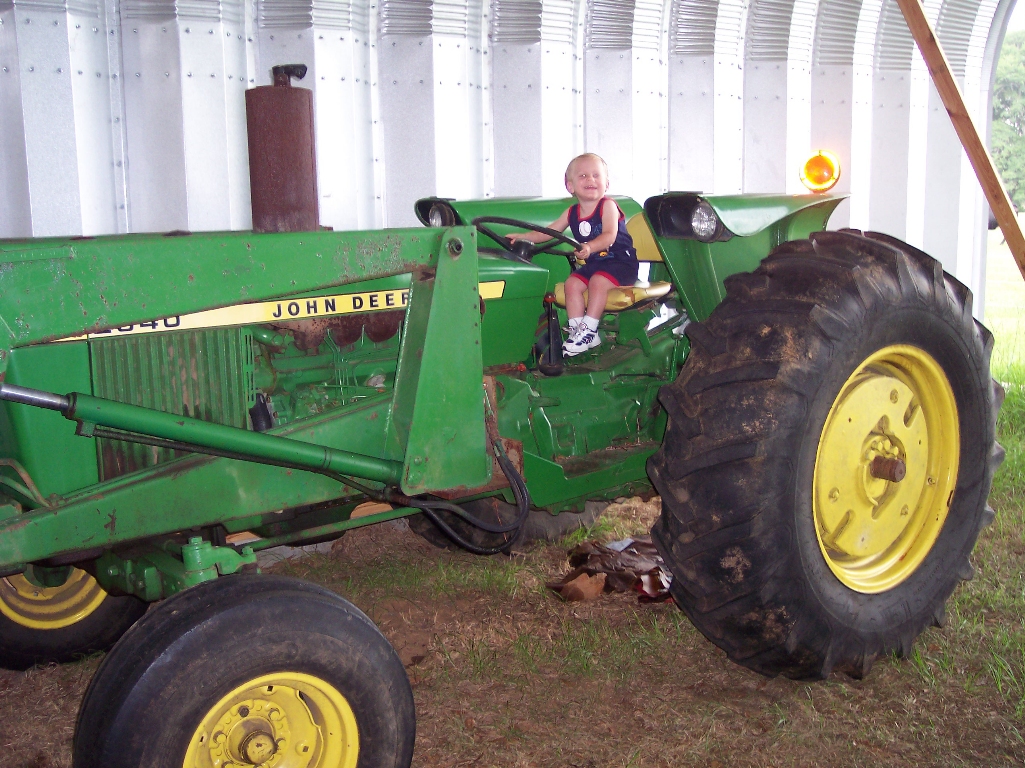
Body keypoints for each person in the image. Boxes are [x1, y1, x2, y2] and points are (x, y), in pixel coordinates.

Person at [508, 153, 638, 356]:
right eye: (583, 176)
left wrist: (589, 247)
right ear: (570, 186)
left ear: (606, 184)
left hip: (621, 263)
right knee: (572, 284)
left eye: (596, 175)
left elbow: (609, 236)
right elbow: (549, 232)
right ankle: (578, 329)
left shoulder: (608, 206)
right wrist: (524, 237)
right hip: (597, 265)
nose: (590, 179)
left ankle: (589, 329)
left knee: (597, 282)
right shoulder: (572, 213)